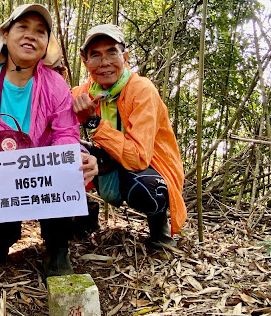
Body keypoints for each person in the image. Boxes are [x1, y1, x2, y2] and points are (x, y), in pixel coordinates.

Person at [0, 4, 98, 277]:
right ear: (5, 35)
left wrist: (61, 163)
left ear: (46, 45)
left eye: (40, 32)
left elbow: (66, 134)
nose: (31, 36)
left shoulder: (56, 86)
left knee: (66, 168)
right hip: (0, 176)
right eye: (22, 28)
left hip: (40, 176)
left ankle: (57, 246)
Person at [72, 24, 186, 248]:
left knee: (147, 187)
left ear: (125, 56)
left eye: (111, 52)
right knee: (65, 155)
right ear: (85, 62)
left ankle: (159, 230)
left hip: (148, 166)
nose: (104, 63)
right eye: (95, 55)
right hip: (105, 161)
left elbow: (138, 158)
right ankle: (83, 217)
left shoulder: (142, 90)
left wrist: (92, 123)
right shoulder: (85, 92)